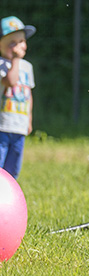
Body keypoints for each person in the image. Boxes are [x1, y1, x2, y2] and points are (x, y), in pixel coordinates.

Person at [0, 16, 37, 179]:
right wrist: (15, 59)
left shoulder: (27, 67)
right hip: (2, 125)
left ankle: (8, 200)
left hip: (18, 126)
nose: (17, 47)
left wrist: (28, 119)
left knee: (13, 169)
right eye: (11, 43)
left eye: (21, 41)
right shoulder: (2, 64)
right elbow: (10, 81)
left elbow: (28, 94)